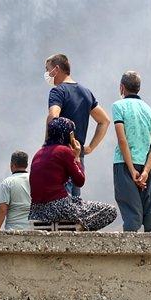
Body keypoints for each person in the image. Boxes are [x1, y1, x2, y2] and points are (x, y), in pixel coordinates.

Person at [29, 117, 117, 230]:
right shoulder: (64, 151)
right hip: (59, 208)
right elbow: (80, 181)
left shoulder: (38, 153)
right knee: (110, 211)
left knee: (76, 202)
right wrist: (77, 156)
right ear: (69, 134)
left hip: (36, 211)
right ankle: (81, 232)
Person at [44, 53, 111, 196]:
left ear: (56, 69)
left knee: (61, 201)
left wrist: (46, 147)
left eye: (48, 69)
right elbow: (104, 121)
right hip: (78, 156)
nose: (47, 74)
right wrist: (90, 147)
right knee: (76, 202)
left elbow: (53, 116)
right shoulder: (86, 92)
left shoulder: (58, 91)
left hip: (60, 155)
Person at [111, 70, 151, 232]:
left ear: (122, 87)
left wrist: (132, 169)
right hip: (146, 167)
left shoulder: (118, 106)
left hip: (124, 165)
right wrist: (145, 171)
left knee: (132, 214)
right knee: (150, 215)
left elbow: (122, 140)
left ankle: (130, 248)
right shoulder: (148, 110)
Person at [0, 151, 32, 231]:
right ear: (27, 165)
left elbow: (3, 209)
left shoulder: (7, 182)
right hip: (32, 228)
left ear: (12, 165)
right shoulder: (34, 180)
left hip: (13, 229)